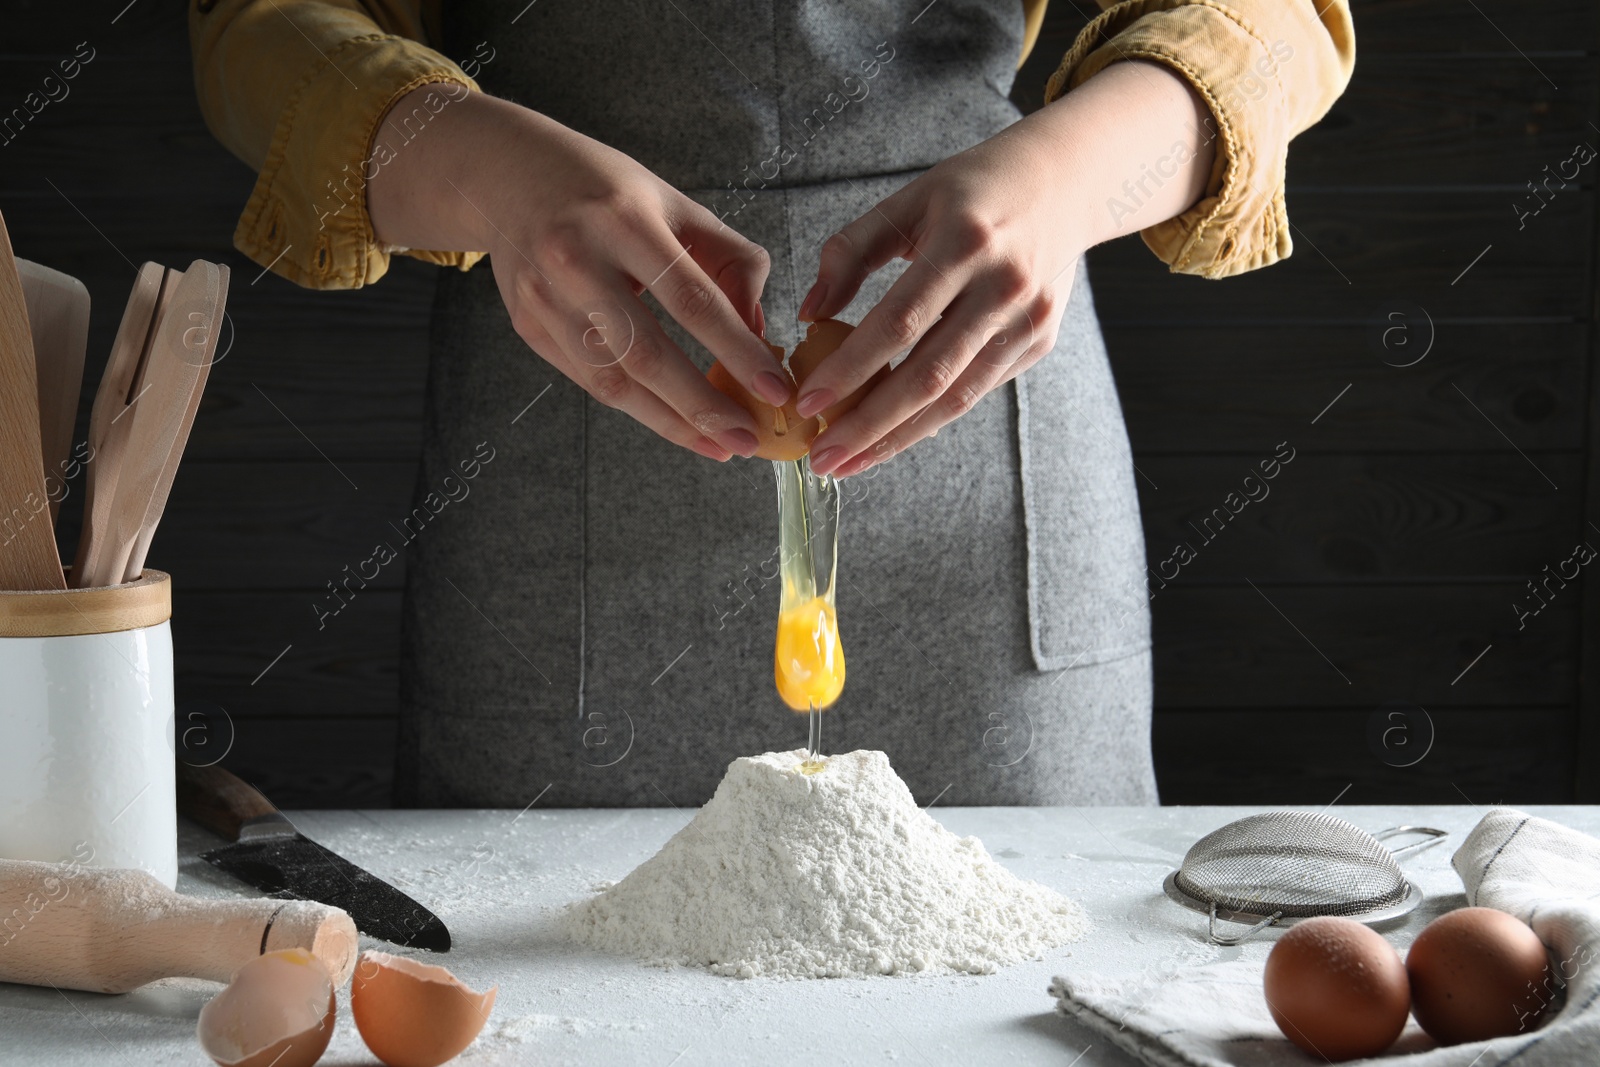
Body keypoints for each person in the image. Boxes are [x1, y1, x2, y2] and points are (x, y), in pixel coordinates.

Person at [189, 0, 1354, 807]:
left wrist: (1059, 182)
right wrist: (489, 171)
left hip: (987, 439)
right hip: (559, 437)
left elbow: (1274, 20)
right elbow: (257, 29)